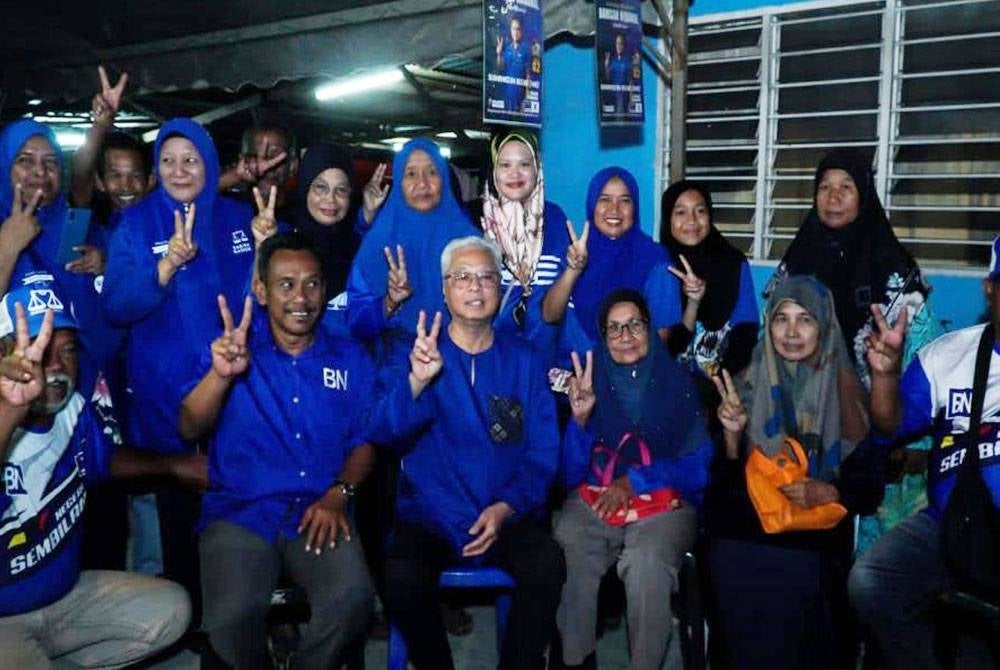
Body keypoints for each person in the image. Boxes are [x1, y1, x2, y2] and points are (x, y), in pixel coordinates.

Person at [367, 236, 565, 670]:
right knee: (400, 572)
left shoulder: (525, 359)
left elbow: (544, 453)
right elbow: (381, 431)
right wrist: (417, 382)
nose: (475, 288)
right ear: (444, 289)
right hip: (431, 516)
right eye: (463, 278)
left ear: (500, 288)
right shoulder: (413, 351)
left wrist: (507, 507)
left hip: (503, 514)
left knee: (547, 563)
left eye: (486, 278)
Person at [179, 233, 375, 667]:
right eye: (286, 284)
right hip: (241, 510)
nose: (300, 297)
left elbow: (366, 440)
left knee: (353, 598)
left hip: (319, 510)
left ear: (325, 290)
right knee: (229, 618)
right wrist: (221, 376)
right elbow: (190, 424)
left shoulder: (350, 358)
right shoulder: (232, 347)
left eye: (311, 284)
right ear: (262, 291)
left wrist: (339, 493)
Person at [102, 117, 258, 624]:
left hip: (234, 387)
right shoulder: (138, 222)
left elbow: (258, 298)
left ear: (209, 165)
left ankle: (237, 610)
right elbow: (118, 305)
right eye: (167, 161)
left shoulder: (236, 218)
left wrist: (264, 247)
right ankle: (186, 619)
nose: (179, 170)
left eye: (190, 159)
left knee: (236, 500)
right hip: (162, 394)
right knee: (176, 508)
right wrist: (164, 267)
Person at [0, 281, 202, 668]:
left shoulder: (72, 410)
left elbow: (104, 460)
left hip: (66, 600)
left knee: (171, 609)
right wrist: (11, 409)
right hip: (5, 621)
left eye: (67, 351)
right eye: (39, 353)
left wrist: (174, 466)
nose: (56, 366)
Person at [705, 275, 883, 670]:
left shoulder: (848, 394)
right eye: (781, 319)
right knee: (725, 556)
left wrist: (830, 492)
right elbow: (718, 489)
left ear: (824, 326)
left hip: (815, 533)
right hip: (750, 525)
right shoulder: (743, 387)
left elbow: (870, 487)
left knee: (806, 577)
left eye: (805, 320)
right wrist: (732, 437)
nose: (791, 332)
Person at [769, 149, 940, 555]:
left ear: (864, 196)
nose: (833, 197)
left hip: (881, 439)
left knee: (869, 565)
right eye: (824, 187)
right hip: (805, 434)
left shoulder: (897, 276)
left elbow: (923, 359)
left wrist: (912, 448)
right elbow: (769, 339)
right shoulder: (795, 266)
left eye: (846, 187)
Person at [848, 236, 1000, 670]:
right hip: (953, 525)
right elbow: (889, 425)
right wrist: (885, 376)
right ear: (990, 290)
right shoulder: (950, 356)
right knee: (871, 581)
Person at [555, 288, 712, 670]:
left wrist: (637, 481)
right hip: (597, 495)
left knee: (646, 563)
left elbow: (699, 469)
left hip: (666, 500)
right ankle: (575, 661)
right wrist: (578, 421)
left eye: (635, 325)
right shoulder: (589, 384)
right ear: (603, 337)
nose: (625, 336)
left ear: (649, 327)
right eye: (614, 329)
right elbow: (568, 475)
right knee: (570, 540)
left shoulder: (679, 383)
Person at [347, 137, 478, 345]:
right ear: (398, 182)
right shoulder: (379, 242)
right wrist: (390, 302)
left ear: (444, 179)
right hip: (393, 365)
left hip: (462, 360)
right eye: (410, 174)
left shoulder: (471, 243)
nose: (422, 183)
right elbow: (356, 323)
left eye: (432, 172)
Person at [542, 166, 678, 353]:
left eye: (625, 201)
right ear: (592, 205)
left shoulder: (656, 261)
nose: (614, 209)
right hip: (570, 372)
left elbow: (660, 340)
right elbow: (550, 316)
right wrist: (573, 270)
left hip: (626, 375)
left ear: (635, 207)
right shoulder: (575, 253)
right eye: (604, 199)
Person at [480, 129, 572, 355]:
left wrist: (574, 268)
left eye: (524, 164)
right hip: (495, 358)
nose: (515, 173)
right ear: (494, 171)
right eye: (505, 165)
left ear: (537, 167)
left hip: (547, 357)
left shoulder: (555, 219)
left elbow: (560, 310)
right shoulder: (482, 225)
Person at [655, 179, 758, 379]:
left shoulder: (733, 263)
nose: (692, 220)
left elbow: (746, 330)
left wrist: (721, 383)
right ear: (668, 219)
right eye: (680, 212)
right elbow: (665, 346)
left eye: (700, 211)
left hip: (724, 382)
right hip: (670, 383)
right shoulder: (660, 266)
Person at [290, 143, 361, 302]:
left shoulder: (360, 248)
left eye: (341, 190)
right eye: (321, 187)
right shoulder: (285, 245)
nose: (330, 199)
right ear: (305, 188)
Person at [218, 120, 297, 220]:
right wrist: (234, 176)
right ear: (242, 161)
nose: (264, 166)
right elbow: (195, 196)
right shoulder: (224, 207)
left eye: (274, 157)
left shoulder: (306, 214)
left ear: (292, 166)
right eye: (254, 157)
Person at [495, 16, 531, 113]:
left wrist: (527, 99)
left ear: (521, 31)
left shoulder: (526, 51)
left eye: (518, 29)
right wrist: (499, 53)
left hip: (520, 98)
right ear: (510, 30)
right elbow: (500, 67)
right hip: (507, 95)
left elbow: (528, 76)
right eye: (513, 29)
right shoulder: (507, 50)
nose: (515, 32)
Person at [603, 33, 630, 114]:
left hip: (624, 96)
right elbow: (608, 77)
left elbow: (630, 80)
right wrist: (606, 65)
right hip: (613, 95)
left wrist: (631, 98)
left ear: (624, 45)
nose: (619, 46)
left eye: (621, 43)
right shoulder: (613, 60)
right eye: (617, 43)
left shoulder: (627, 60)